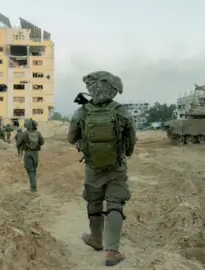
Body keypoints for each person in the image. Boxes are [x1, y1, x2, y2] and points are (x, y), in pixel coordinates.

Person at [67, 71, 136, 266]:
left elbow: (71, 138)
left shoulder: (82, 111)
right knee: (115, 204)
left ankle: (96, 239)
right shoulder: (120, 111)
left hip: (93, 168)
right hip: (116, 168)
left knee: (94, 203)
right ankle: (112, 251)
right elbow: (131, 138)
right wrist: (126, 152)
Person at [16, 118, 45, 193]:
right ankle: (33, 186)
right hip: (36, 153)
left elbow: (17, 144)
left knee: (30, 170)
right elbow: (42, 142)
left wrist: (23, 145)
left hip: (28, 153)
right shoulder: (38, 133)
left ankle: (33, 188)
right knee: (33, 170)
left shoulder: (25, 133)